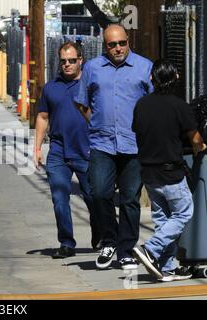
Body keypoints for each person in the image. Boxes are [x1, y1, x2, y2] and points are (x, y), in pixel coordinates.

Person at [74, 24, 154, 270]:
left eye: (122, 43)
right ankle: (109, 240)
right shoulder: (92, 68)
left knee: (130, 199)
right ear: (104, 45)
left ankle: (126, 248)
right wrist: (97, 123)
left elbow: (154, 103)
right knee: (98, 193)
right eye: (112, 44)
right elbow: (81, 103)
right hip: (102, 143)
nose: (118, 48)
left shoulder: (144, 66)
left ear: (128, 41)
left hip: (134, 144)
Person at [132, 60, 206, 282]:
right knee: (183, 213)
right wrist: (201, 148)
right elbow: (195, 139)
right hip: (171, 173)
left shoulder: (141, 105)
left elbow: (138, 134)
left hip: (148, 173)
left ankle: (167, 268)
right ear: (175, 79)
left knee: (163, 220)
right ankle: (150, 250)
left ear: (152, 79)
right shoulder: (179, 106)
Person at [34, 41, 100, 259]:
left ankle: (100, 234)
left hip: (87, 150)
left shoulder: (91, 85)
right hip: (58, 151)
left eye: (72, 60)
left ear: (81, 60)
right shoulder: (51, 87)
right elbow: (43, 117)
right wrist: (36, 148)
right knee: (59, 197)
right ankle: (66, 243)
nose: (67, 65)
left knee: (93, 197)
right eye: (63, 61)